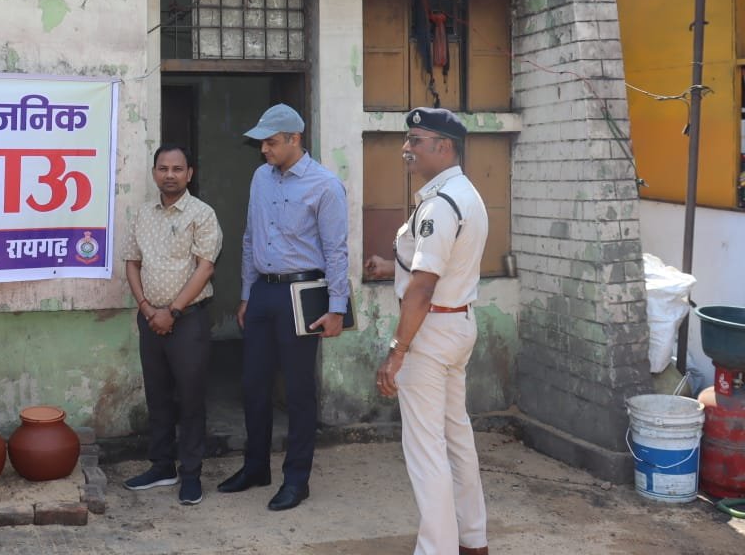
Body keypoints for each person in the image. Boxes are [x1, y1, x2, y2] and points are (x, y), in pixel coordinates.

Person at [364, 107, 489, 555]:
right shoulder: (464, 193)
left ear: (444, 146)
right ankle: (472, 540)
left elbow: (422, 287)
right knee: (456, 438)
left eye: (415, 140)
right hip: (457, 322)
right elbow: (433, 265)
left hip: (430, 329)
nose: (406, 148)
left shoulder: (440, 204)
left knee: (425, 449)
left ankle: (437, 549)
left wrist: (398, 350)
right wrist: (390, 266)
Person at [218, 103, 349, 512]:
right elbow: (249, 238)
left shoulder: (325, 185)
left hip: (302, 294)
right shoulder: (261, 178)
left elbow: (336, 250)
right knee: (253, 384)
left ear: (295, 139)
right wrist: (246, 294)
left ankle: (297, 479)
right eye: (262, 143)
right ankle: (256, 466)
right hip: (263, 293)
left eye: (271, 142)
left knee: (298, 390)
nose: (264, 150)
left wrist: (337, 308)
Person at [122, 145, 223, 506]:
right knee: (158, 395)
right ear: (154, 173)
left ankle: (191, 474)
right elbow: (132, 262)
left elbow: (205, 267)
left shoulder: (202, 214)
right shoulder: (143, 214)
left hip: (188, 319)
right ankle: (162, 466)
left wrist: (173, 312)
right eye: (163, 168)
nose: (170, 175)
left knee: (190, 397)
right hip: (150, 318)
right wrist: (147, 309)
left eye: (177, 169)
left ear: (189, 174)